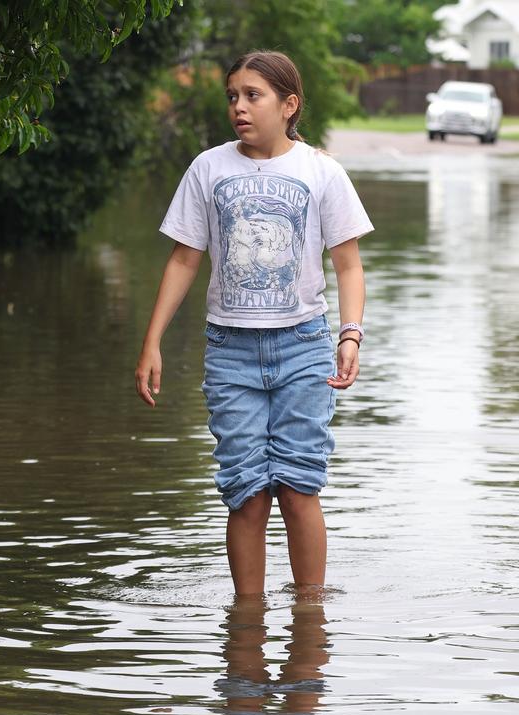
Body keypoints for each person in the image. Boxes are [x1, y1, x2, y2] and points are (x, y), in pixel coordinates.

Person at [134, 50, 373, 597]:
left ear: (290, 105)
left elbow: (349, 264)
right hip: (230, 352)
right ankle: (247, 624)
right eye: (232, 96)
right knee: (245, 492)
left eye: (253, 95)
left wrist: (350, 333)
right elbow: (184, 259)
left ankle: (310, 620)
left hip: (304, 347)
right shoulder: (209, 168)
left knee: (297, 486)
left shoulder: (321, 172)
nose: (239, 107)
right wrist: (152, 342)